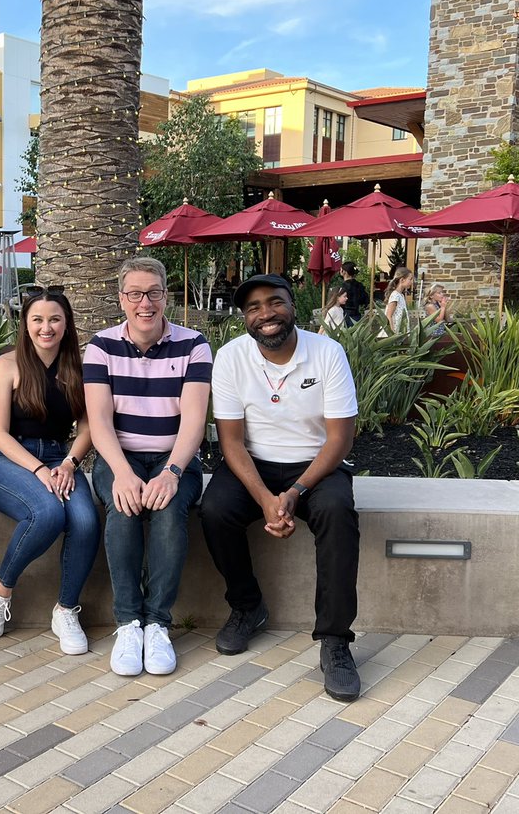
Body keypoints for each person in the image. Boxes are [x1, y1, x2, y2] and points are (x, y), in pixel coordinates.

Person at [199, 274, 361, 701]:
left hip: (317, 465)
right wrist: (265, 499)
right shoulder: (231, 357)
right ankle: (247, 606)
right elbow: (231, 442)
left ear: (293, 306)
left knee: (337, 513)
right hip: (253, 463)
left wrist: (294, 493)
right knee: (215, 510)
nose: (265, 314)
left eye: (275, 302)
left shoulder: (327, 353)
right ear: (244, 318)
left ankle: (335, 640)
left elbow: (340, 439)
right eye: (253, 307)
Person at [83, 256, 212, 677]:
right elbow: (99, 421)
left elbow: (194, 420)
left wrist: (172, 472)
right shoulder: (101, 346)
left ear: (166, 297)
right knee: (123, 508)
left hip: (175, 458)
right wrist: (123, 473)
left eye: (154, 293)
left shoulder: (194, 345)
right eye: (135, 294)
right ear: (121, 299)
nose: (145, 303)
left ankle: (157, 623)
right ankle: (128, 624)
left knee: (169, 511)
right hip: (119, 456)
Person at [0, 286, 99, 654]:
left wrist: (68, 464)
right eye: (38, 320)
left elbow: (88, 428)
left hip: (60, 459)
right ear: (25, 324)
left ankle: (66, 610)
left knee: (85, 521)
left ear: (67, 324)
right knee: (47, 513)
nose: (47, 328)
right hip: (6, 459)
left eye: (55, 319)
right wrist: (38, 469)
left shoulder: (77, 368)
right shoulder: (6, 365)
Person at [385, 266, 415, 335]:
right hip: (394, 333)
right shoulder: (395, 295)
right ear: (402, 280)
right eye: (410, 279)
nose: (412, 282)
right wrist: (392, 334)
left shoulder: (401, 295)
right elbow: (388, 315)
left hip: (400, 332)